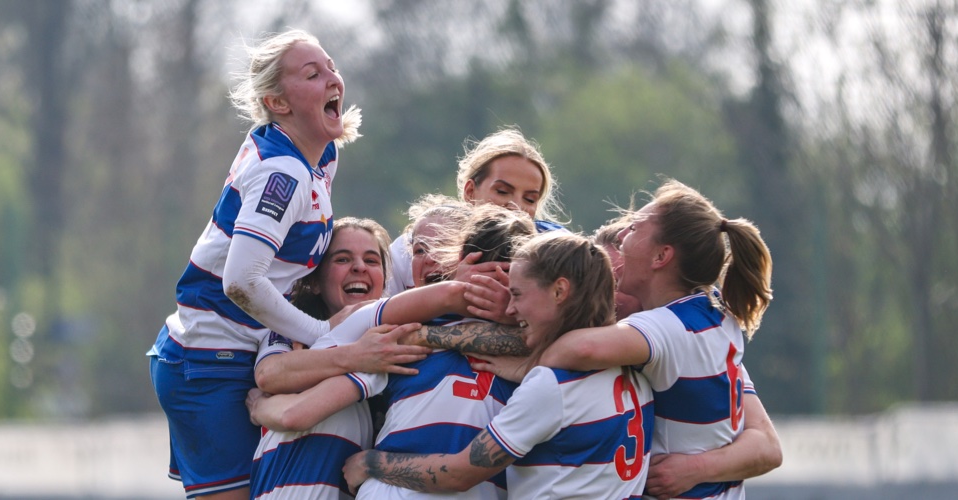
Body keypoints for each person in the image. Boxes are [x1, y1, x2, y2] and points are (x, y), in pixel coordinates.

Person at [146, 29, 361, 500]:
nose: (333, 78)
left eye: (331, 66)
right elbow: (241, 281)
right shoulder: (282, 171)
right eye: (313, 73)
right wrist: (322, 335)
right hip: (208, 362)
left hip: (238, 353)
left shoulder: (321, 152)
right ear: (278, 103)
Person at [248, 204, 536, 500]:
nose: (432, 259)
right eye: (420, 250)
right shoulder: (383, 339)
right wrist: (357, 355)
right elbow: (277, 386)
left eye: (442, 248)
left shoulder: (541, 348)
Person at [343, 232, 655, 499]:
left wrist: (371, 463)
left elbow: (458, 474)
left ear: (559, 291)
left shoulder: (553, 386)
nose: (510, 307)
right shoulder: (637, 376)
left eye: (517, 293)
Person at [540, 180, 777, 500]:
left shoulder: (665, 328)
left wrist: (523, 360)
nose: (625, 236)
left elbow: (580, 349)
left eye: (635, 229)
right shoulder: (713, 310)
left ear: (661, 256)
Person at [250, 217, 434, 499]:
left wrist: (261, 407)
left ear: (384, 282)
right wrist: (358, 355)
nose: (359, 267)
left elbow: (287, 411)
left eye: (372, 260)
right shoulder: (291, 332)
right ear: (314, 282)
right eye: (342, 259)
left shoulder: (387, 347)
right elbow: (269, 375)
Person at [387, 127, 564, 295]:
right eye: (502, 191)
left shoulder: (555, 247)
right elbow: (369, 315)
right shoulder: (418, 243)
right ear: (470, 192)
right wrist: (449, 292)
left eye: (530, 199)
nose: (516, 206)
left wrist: (515, 312)